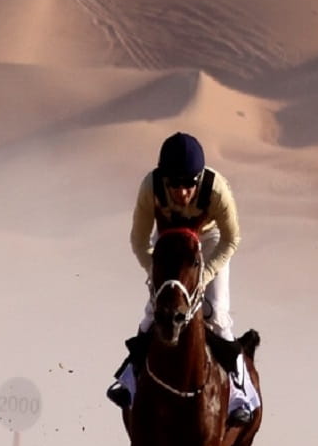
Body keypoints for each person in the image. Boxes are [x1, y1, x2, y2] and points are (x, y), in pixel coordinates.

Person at [106, 132, 259, 427]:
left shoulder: (216, 190)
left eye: (190, 183)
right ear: (164, 178)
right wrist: (156, 277)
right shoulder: (150, 187)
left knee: (217, 314)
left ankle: (241, 394)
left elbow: (231, 239)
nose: (183, 192)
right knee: (153, 311)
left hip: (210, 240)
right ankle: (129, 381)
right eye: (175, 184)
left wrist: (206, 274)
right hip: (168, 238)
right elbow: (139, 241)